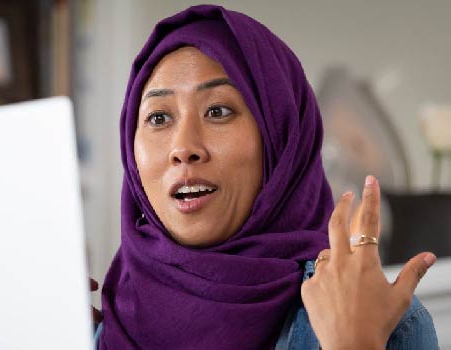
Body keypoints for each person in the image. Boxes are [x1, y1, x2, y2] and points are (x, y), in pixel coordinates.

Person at [93, 5, 439, 349]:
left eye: (218, 111)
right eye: (158, 118)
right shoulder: (94, 325)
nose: (183, 147)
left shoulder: (380, 320)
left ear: (281, 139)